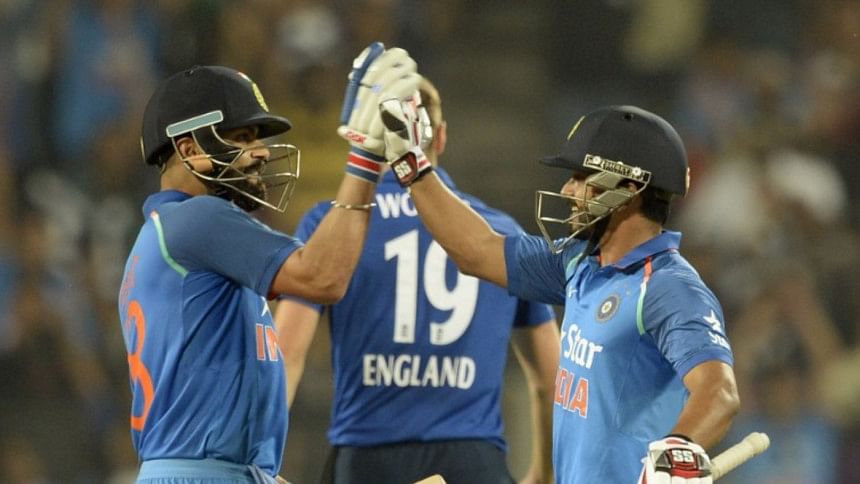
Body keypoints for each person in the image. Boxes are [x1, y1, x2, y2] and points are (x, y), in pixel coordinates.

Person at [378, 98, 741, 483]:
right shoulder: (579, 264)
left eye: (581, 177)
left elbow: (719, 391)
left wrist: (679, 451)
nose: (567, 190)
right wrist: (412, 167)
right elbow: (477, 251)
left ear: (629, 188)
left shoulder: (669, 287)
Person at [117, 42, 420, 484]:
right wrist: (364, 158)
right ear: (189, 147)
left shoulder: (170, 234)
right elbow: (324, 278)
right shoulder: (199, 219)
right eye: (242, 138)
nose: (260, 151)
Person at [275, 78, 559, 484]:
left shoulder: (331, 226)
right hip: (472, 461)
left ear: (366, 135)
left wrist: (261, 460)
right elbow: (551, 379)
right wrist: (545, 473)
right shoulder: (501, 234)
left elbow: (286, 354)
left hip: (367, 458)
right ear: (439, 136)